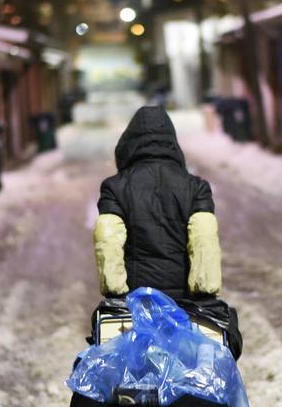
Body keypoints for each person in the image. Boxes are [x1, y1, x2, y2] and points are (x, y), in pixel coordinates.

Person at [92, 105, 241, 356]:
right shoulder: (196, 188)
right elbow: (203, 238)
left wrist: (116, 293)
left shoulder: (114, 188)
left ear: (128, 145)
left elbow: (108, 239)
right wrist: (204, 294)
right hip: (184, 305)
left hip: (136, 305)